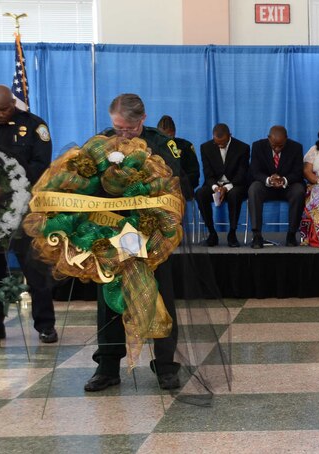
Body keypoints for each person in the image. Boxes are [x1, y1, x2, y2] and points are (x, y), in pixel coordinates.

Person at [86, 93, 183, 392]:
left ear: (142, 119)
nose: (123, 133)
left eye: (129, 128)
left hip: (151, 234)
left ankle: (165, 366)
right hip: (114, 231)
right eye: (118, 127)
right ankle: (107, 367)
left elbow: (177, 185)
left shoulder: (160, 144)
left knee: (159, 297)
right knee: (110, 300)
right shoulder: (101, 143)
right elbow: (87, 183)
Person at [0, 84, 57, 344]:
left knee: (34, 265)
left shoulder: (35, 127)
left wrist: (6, 189)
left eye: (3, 109)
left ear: (13, 104)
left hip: (23, 208)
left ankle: (45, 325)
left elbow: (41, 166)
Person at [248, 125, 305, 248]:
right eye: (274, 146)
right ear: (269, 138)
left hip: (287, 186)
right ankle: (257, 235)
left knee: (299, 190)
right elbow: (255, 171)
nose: (278, 149)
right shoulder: (258, 146)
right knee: (254, 188)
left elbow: (298, 172)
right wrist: (269, 180)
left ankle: (291, 234)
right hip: (266, 186)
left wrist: (284, 180)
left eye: (281, 146)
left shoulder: (296, 147)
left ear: (286, 139)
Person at [196, 123, 251, 247]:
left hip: (234, 185)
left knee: (235, 194)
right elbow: (208, 174)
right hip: (215, 185)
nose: (220, 145)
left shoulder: (243, 148)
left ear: (230, 136)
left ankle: (232, 234)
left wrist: (226, 188)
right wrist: (216, 188)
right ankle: (212, 233)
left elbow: (242, 174)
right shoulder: (205, 147)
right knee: (200, 194)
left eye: (223, 143)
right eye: (217, 143)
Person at [155, 115, 201, 200]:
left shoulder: (186, 146)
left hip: (182, 193)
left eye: (168, 136)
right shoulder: (153, 147)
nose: (164, 140)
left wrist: (179, 184)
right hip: (157, 193)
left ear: (174, 132)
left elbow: (194, 174)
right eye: (161, 136)